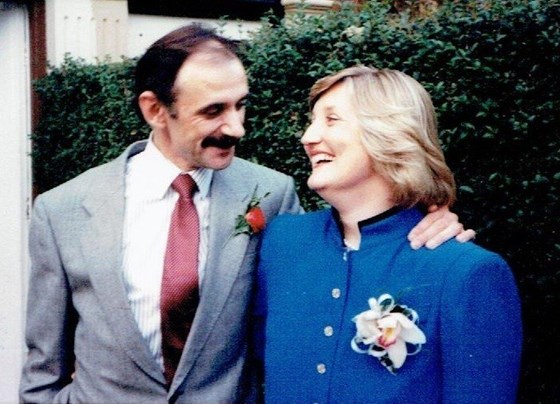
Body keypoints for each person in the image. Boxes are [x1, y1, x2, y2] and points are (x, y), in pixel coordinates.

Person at [20, 25, 472, 403]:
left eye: (241, 105)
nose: (235, 128)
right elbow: (43, 367)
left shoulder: (271, 194)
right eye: (214, 111)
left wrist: (429, 213)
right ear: (156, 110)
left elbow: (346, 254)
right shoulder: (63, 210)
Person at [254, 66, 522, 403]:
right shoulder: (283, 243)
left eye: (331, 119)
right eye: (312, 121)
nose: (307, 137)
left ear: (390, 134)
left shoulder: (465, 271)